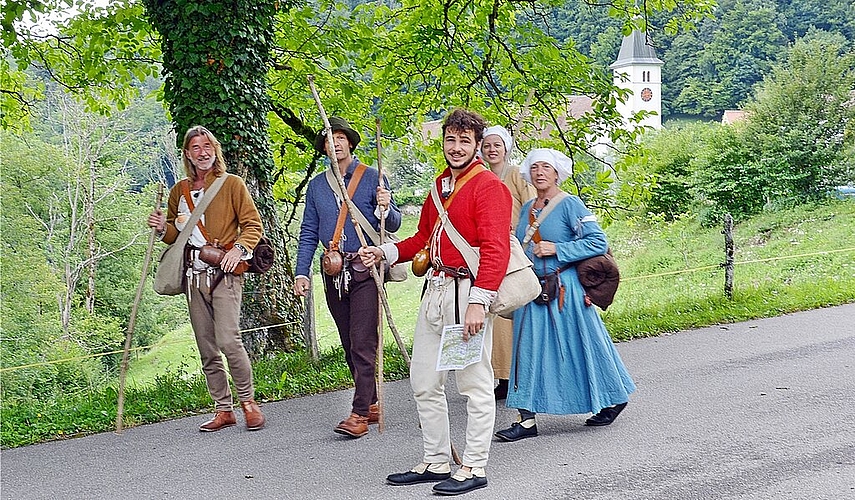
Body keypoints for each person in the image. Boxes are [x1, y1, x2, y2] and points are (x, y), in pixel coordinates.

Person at [359, 108, 512, 496]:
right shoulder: (440, 185)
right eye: (451, 139)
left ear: (477, 145)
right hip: (436, 293)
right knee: (424, 381)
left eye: (464, 141)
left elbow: (496, 250)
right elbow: (422, 239)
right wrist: (387, 253)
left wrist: (480, 301)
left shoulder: (489, 187)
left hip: (466, 296)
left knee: (473, 384)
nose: (456, 147)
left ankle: (474, 465)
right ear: (443, 142)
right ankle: (437, 459)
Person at [494, 148, 636, 443]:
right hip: (532, 288)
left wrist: (559, 249)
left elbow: (598, 241)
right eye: (535, 168)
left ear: (557, 173)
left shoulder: (571, 204)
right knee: (525, 352)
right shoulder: (526, 209)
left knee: (585, 346)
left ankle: (614, 396)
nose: (540, 172)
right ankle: (526, 419)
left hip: (564, 289)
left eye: (546, 167)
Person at [147, 125, 266, 432]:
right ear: (188, 154)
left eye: (207, 146)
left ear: (215, 149)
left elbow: (253, 225)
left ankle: (248, 403)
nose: (203, 152)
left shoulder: (231, 184)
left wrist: (238, 250)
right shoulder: (178, 191)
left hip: (225, 273)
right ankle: (223, 409)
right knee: (207, 345)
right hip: (193, 275)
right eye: (196, 148)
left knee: (228, 339)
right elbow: (176, 236)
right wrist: (162, 226)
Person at [293, 117, 402, 439]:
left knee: (363, 343)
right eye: (329, 138)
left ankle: (358, 415)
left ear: (350, 143)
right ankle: (370, 402)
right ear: (325, 146)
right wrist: (302, 272)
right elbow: (309, 231)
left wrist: (385, 206)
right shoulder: (316, 186)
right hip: (333, 271)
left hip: (366, 269)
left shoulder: (372, 177)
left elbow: (393, 224)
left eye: (340, 137)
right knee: (348, 343)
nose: (336, 142)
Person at [480, 125, 536, 401]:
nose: (492, 150)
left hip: (514, 249)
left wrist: (521, 231)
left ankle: (516, 373)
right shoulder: (479, 175)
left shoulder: (514, 175)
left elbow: (530, 206)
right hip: (488, 251)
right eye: (487, 145)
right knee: (494, 315)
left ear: (505, 148)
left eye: (496, 145)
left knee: (512, 312)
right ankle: (500, 374)